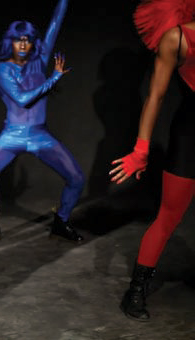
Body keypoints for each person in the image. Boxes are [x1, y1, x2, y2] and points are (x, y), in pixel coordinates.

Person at [0, 0, 85, 245]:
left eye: (27, 39)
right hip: (12, 135)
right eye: (18, 39)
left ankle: (61, 222)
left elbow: (56, 23)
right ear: (9, 42)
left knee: (76, 178)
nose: (23, 44)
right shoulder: (1, 70)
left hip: (40, 136)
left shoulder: (39, 60)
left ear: (33, 42)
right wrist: (54, 78)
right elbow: (23, 99)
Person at [109, 0, 195, 321]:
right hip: (191, 138)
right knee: (169, 216)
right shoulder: (176, 38)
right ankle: (136, 289)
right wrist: (141, 150)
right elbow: (155, 96)